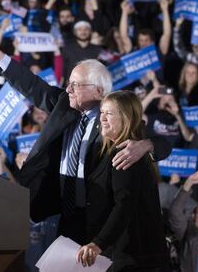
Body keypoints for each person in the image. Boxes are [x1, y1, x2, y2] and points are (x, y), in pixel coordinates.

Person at [0, 13, 171, 245]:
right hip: (63, 213)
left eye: (75, 85)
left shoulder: (116, 119)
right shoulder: (63, 105)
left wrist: (145, 145)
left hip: (98, 220)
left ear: (99, 91)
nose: (68, 89)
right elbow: (30, 84)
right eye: (69, 83)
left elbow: (163, 144)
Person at [76, 90, 168, 271]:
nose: (102, 118)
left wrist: (98, 244)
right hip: (122, 254)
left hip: (132, 258)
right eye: (102, 112)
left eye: (109, 113)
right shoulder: (111, 150)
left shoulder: (127, 154)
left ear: (125, 118)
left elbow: (124, 205)